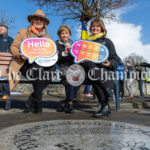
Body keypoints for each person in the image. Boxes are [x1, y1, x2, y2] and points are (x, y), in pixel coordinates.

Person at [9, 9, 54, 113]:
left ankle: (34, 96)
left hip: (42, 63)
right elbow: (13, 47)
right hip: (25, 63)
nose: (38, 21)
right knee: (38, 70)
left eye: (41, 20)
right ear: (32, 21)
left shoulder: (48, 37)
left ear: (44, 23)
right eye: (36, 19)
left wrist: (53, 54)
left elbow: (50, 51)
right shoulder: (23, 32)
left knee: (51, 70)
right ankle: (38, 103)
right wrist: (20, 55)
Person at [81, 19, 118, 117]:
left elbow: (115, 58)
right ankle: (108, 93)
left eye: (97, 26)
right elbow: (79, 57)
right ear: (90, 28)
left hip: (102, 71)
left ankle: (105, 107)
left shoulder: (107, 42)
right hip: (88, 71)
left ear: (102, 29)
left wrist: (109, 63)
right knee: (90, 65)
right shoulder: (85, 42)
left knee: (96, 77)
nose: (95, 28)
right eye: (93, 26)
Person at [56, 25, 78, 113]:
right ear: (59, 35)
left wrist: (74, 53)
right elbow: (55, 60)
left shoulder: (74, 44)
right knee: (70, 78)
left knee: (79, 77)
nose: (64, 35)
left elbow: (77, 59)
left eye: (66, 33)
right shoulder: (56, 44)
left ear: (69, 34)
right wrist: (64, 53)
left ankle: (66, 103)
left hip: (73, 67)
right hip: (61, 68)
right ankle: (70, 103)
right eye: (62, 33)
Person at [0, 25, 13, 101]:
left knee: (4, 76)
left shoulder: (9, 39)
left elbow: (13, 49)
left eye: (1, 29)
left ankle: (6, 93)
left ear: (6, 30)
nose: (0, 30)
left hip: (5, 63)